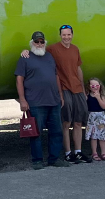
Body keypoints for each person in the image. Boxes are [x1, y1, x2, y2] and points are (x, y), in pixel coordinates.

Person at [21, 24, 89, 163]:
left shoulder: (73, 49)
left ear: (72, 35)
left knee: (77, 122)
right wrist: (24, 51)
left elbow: (77, 68)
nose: (66, 37)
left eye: (69, 34)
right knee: (65, 122)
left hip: (73, 90)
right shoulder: (52, 49)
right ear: (60, 35)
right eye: (64, 34)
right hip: (58, 91)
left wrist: (82, 87)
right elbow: (35, 53)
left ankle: (77, 152)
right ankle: (66, 153)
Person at [15, 31, 70, 169]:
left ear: (44, 43)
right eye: (36, 42)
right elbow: (19, 79)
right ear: (31, 42)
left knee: (56, 131)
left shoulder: (50, 57)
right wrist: (22, 99)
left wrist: (60, 95)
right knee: (36, 132)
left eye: (41, 42)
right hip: (35, 102)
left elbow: (56, 76)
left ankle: (54, 158)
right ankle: (37, 160)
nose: (39, 44)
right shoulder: (25, 57)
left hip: (54, 101)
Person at [85, 77, 105, 161]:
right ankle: (94, 152)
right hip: (92, 118)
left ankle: (103, 152)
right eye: (92, 86)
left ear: (100, 86)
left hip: (101, 117)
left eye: (97, 85)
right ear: (89, 86)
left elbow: (103, 106)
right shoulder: (88, 95)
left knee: (102, 136)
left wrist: (98, 97)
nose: (95, 87)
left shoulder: (102, 95)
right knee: (93, 136)